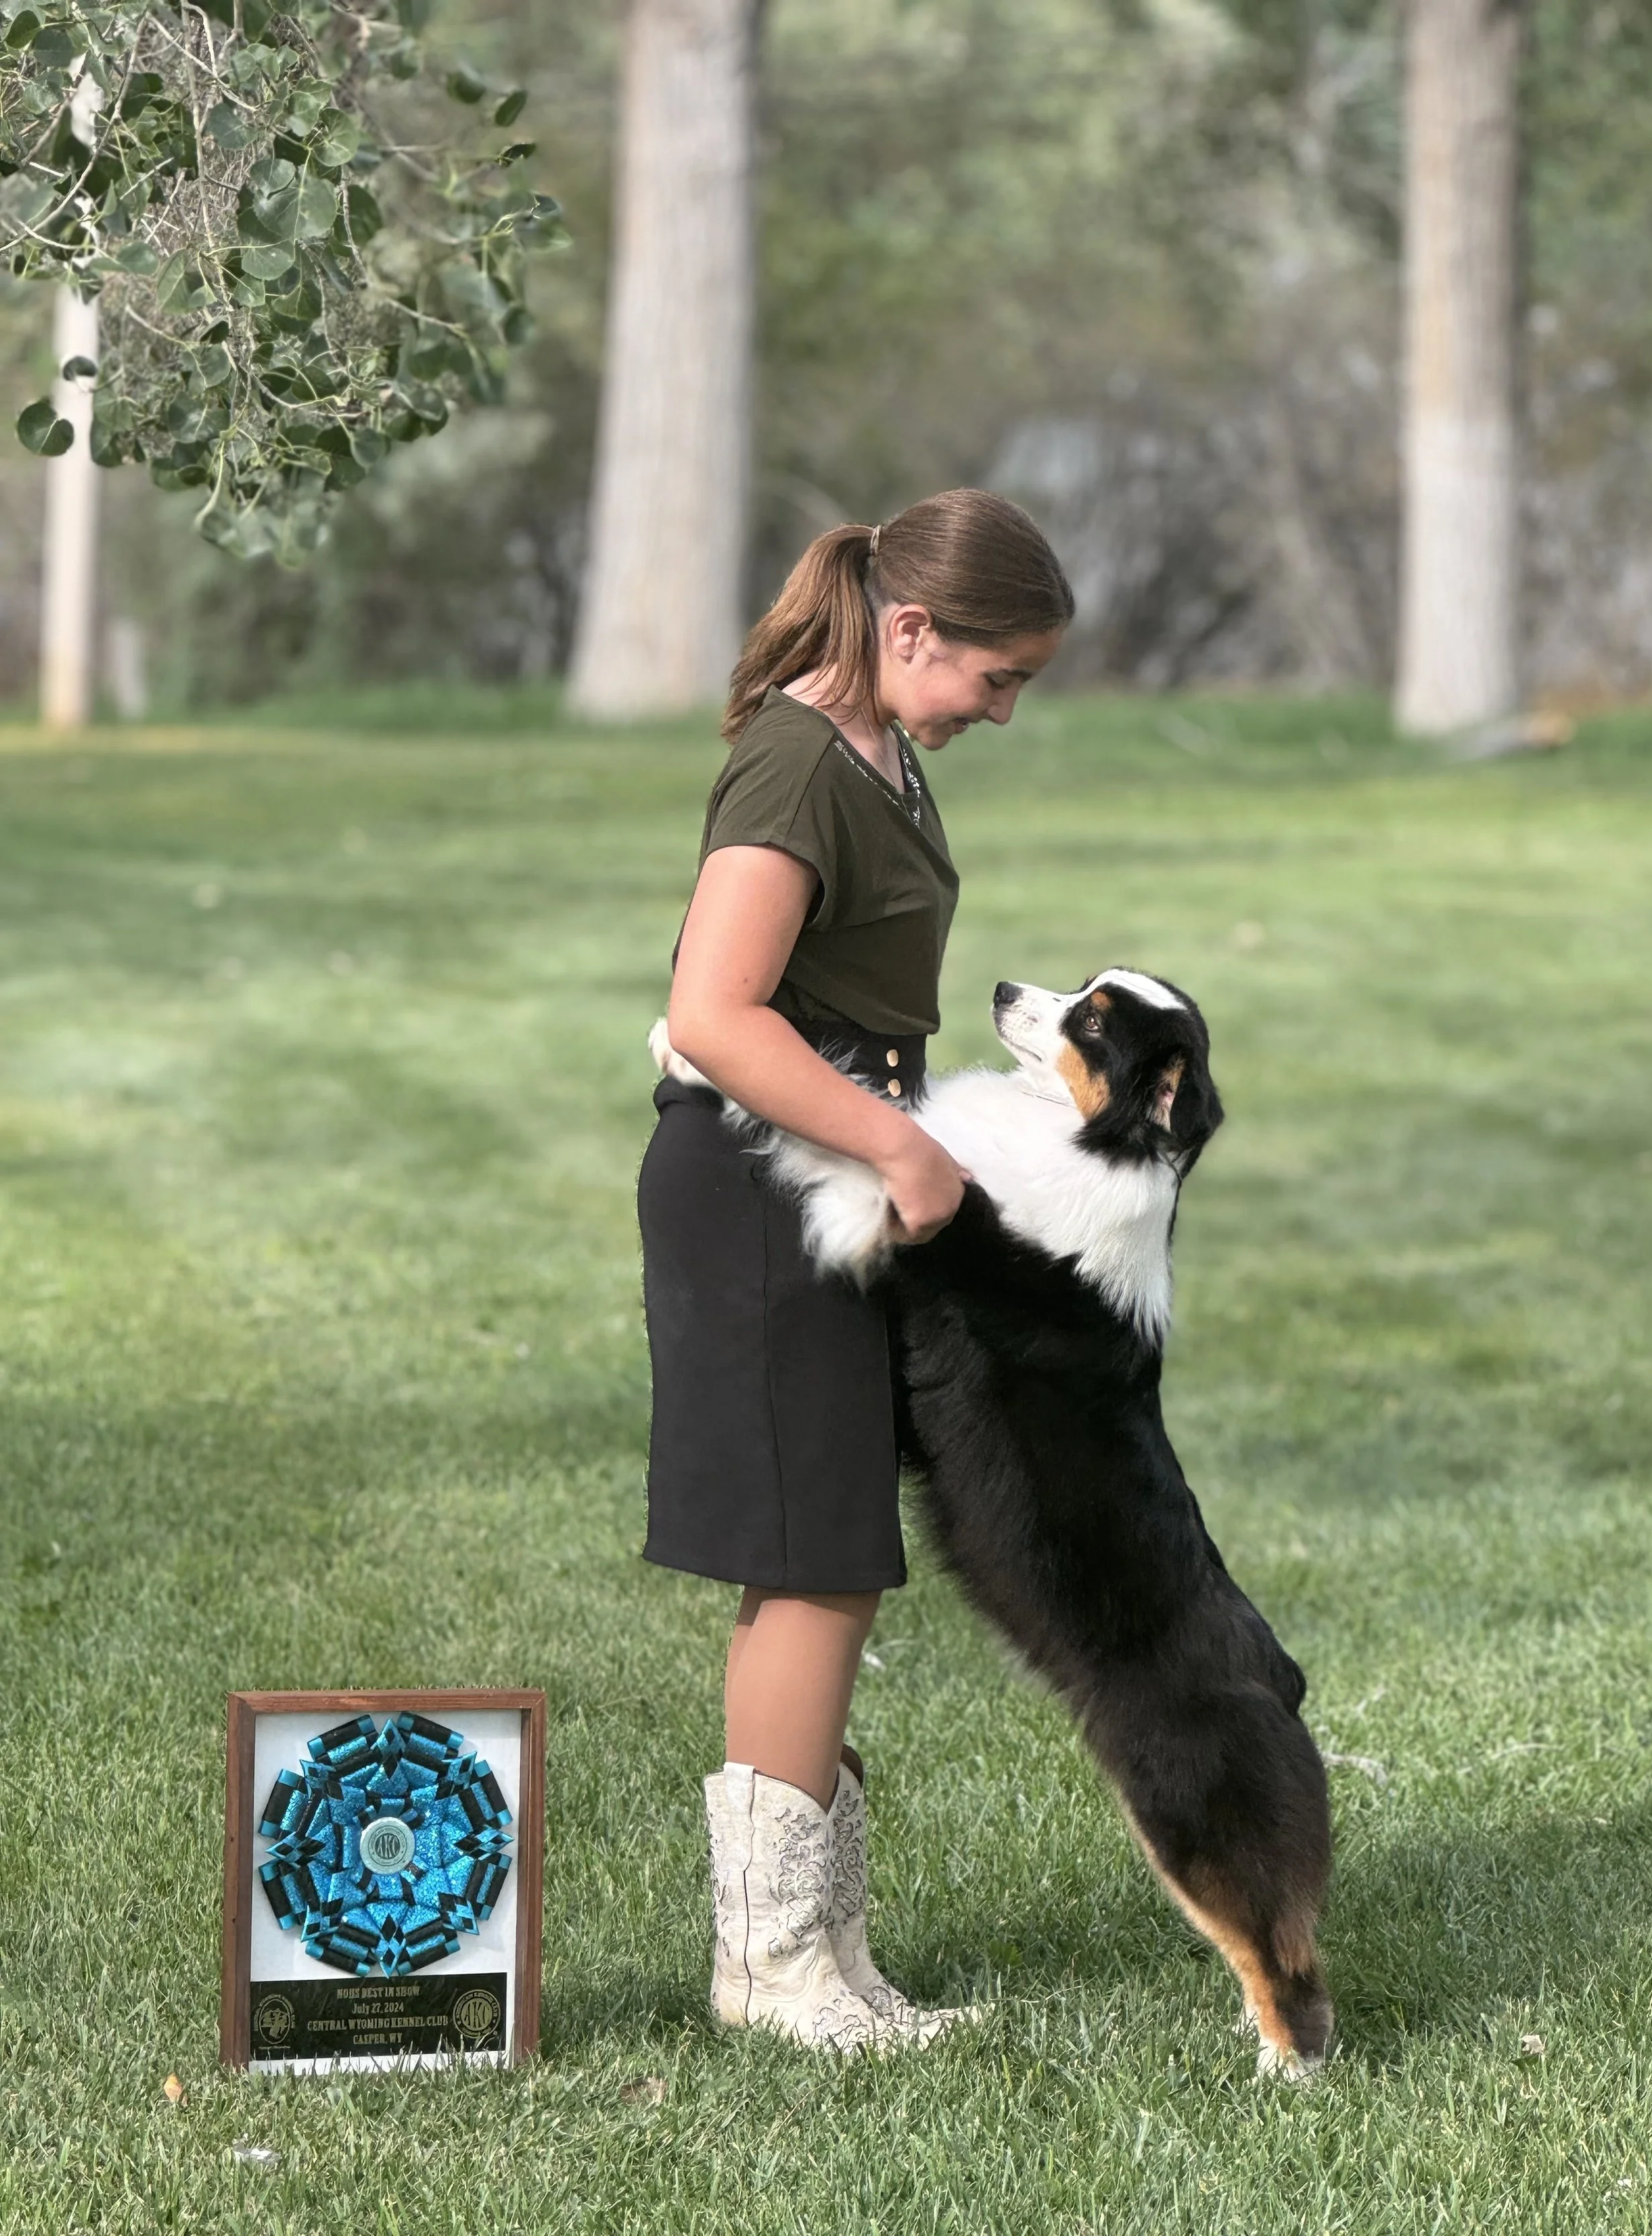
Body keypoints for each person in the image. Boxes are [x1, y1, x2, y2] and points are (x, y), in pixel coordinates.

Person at [639, 488, 1073, 2049]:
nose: (1001, 709)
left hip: (822, 1186)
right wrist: (898, 1149)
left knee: (827, 1551)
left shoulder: (878, 756)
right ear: (908, 632)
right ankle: (767, 1969)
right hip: (761, 1189)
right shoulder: (795, 761)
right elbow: (714, 1011)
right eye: (994, 675)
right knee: (814, 1555)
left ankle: (822, 1947)